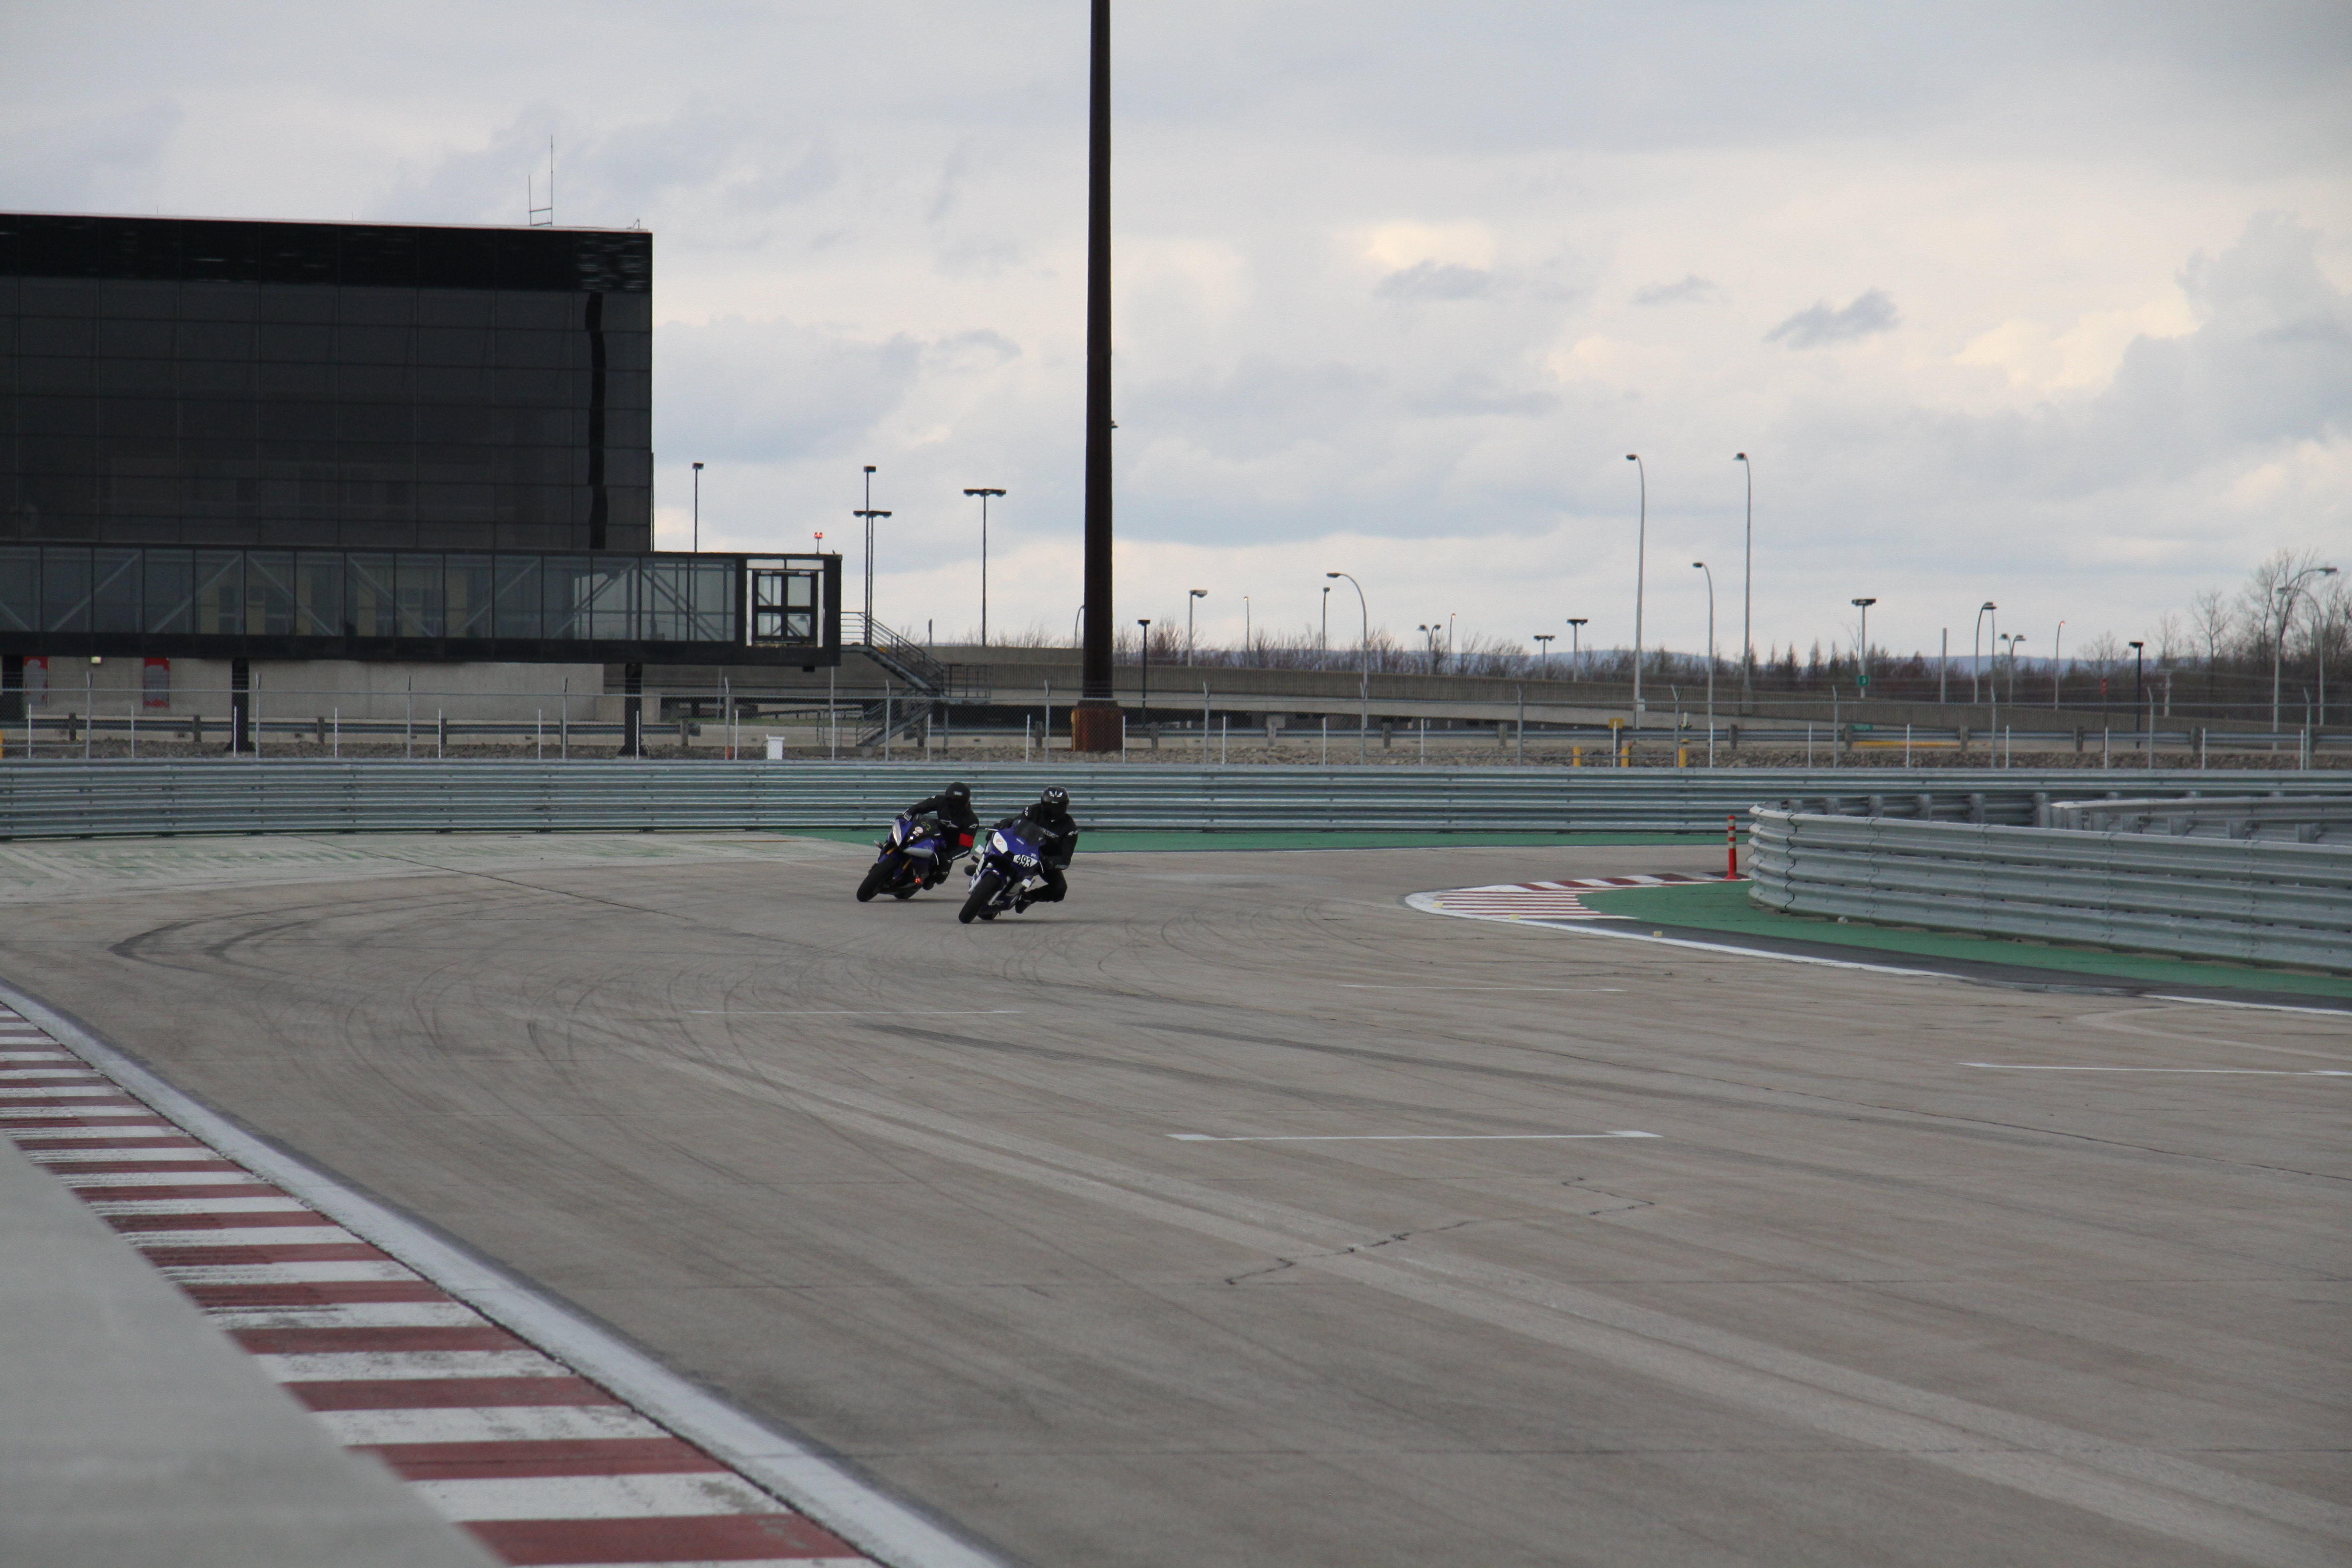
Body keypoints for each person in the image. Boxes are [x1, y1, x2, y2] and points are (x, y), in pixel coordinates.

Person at [1009, 785, 1079, 909]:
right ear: (1043, 804)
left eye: (1059, 808)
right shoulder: (1033, 810)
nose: (1054, 811)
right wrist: (1005, 823)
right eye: (1050, 807)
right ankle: (984, 865)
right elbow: (1015, 824)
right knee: (996, 835)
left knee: (1060, 888)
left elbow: (1065, 860)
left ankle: (1030, 897)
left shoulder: (1070, 828)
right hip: (1021, 848)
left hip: (1042, 860)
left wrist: (1049, 862)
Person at [902, 781, 979, 883]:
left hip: (950, 846)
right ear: (947, 798)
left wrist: (949, 857)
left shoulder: (971, 821)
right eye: (952, 801)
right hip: (934, 832)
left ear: (966, 802)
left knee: (938, 878)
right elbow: (919, 807)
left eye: (959, 803)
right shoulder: (940, 800)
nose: (955, 805)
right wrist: (907, 815)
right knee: (909, 832)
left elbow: (966, 847)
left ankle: (924, 877)